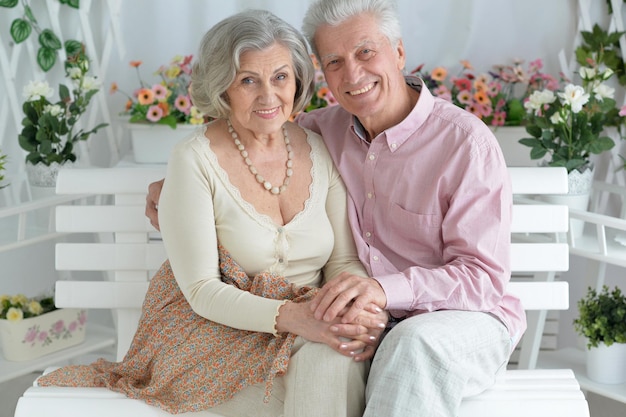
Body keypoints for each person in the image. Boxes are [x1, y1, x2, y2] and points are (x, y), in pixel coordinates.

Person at [146, 1, 526, 416]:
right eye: (335, 61)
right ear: (321, 72)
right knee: (337, 359)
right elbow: (243, 153)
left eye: (366, 52)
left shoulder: (464, 144)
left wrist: (383, 290)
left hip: (461, 320)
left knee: (410, 346)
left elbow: (483, 279)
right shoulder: (320, 132)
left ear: (398, 52)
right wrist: (175, 191)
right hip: (359, 321)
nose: (354, 74)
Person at [39, 9, 388, 417]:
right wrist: (299, 319)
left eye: (280, 77)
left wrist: (357, 305)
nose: (268, 96)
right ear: (222, 87)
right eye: (248, 81)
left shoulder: (317, 147)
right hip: (219, 334)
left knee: (337, 353)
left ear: (297, 79)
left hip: (309, 327)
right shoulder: (194, 158)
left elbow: (344, 260)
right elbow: (203, 290)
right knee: (333, 362)